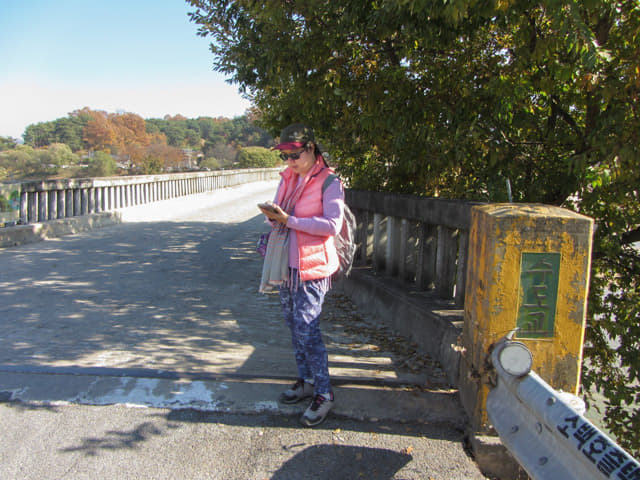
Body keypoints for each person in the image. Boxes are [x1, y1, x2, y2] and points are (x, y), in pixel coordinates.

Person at [258, 123, 345, 427]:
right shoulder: (288, 179)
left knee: (308, 329)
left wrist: (290, 220)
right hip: (287, 264)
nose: (290, 161)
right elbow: (282, 216)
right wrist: (275, 218)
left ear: (310, 148)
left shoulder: (329, 182)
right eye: (284, 155)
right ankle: (306, 380)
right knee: (293, 326)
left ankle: (324, 393)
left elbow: (332, 225)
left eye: (294, 154)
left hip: (312, 266)